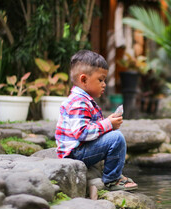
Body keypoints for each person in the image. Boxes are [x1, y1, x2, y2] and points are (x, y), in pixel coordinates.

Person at [55, 49, 138, 192]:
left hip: (80, 148)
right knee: (116, 138)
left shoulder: (84, 100)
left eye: (104, 80)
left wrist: (109, 124)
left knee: (113, 137)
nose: (104, 84)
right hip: (75, 153)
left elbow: (91, 127)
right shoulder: (78, 102)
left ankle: (113, 173)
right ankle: (112, 179)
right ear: (84, 79)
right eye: (100, 80)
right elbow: (81, 133)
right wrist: (108, 124)